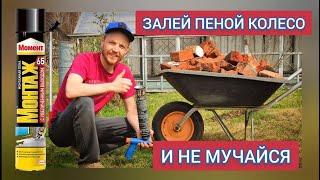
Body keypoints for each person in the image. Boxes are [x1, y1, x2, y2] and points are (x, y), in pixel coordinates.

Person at [48, 22, 153, 168]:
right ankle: (90, 162)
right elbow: (71, 90)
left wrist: (142, 131)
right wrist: (111, 86)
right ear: (102, 42)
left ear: (126, 51)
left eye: (122, 46)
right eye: (112, 43)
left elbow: (132, 111)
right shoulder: (84, 59)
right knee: (85, 101)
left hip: (86, 126)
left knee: (135, 127)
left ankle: (82, 148)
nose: (116, 49)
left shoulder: (124, 73)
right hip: (60, 129)